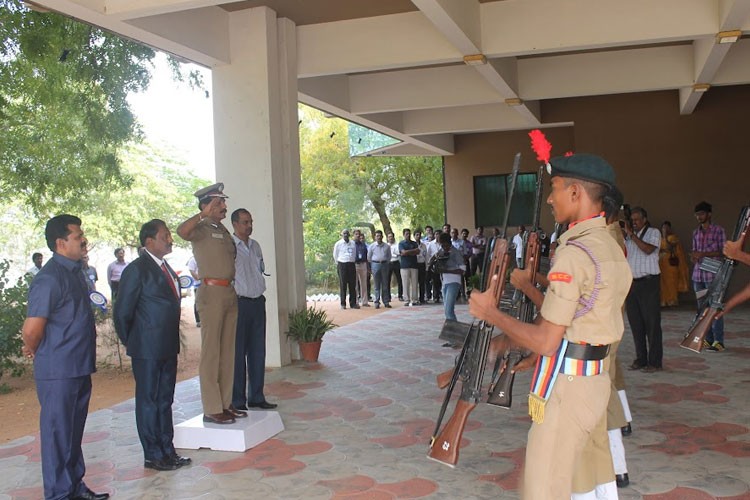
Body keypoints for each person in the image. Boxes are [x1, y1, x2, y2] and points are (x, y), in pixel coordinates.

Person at [469, 153, 632, 500]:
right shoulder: (609, 246)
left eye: (555, 188)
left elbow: (546, 341)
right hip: (594, 379)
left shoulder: (574, 254)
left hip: (569, 390)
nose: (549, 198)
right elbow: (581, 320)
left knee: (543, 488)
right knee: (584, 480)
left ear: (576, 193)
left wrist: (491, 314)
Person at [21, 214, 110, 500]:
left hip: (78, 366)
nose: (83, 240)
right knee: (57, 435)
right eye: (77, 236)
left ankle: (74, 487)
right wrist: (35, 348)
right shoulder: (48, 279)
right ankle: (59, 494)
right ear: (61, 243)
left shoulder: (77, 272)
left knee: (72, 434)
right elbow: (32, 329)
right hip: (58, 370)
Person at [113, 219, 192, 471]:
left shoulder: (165, 267)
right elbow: (122, 312)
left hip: (167, 346)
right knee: (148, 400)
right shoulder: (137, 269)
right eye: (165, 236)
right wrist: (133, 341)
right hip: (146, 349)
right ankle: (153, 454)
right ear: (149, 241)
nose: (170, 239)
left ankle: (168, 451)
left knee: (164, 400)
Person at [177, 182, 241, 425]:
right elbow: (182, 231)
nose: (224, 206)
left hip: (228, 292)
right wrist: (202, 214)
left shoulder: (221, 229)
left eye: (223, 201)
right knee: (212, 352)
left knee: (227, 351)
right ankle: (212, 407)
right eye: (219, 202)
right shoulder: (201, 228)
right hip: (211, 293)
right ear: (206, 205)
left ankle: (225, 403)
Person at [231, 208, 277, 411]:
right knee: (238, 353)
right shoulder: (229, 247)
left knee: (258, 351)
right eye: (244, 222)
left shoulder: (255, 245)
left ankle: (257, 396)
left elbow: (260, 270)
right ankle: (238, 400)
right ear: (234, 224)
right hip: (239, 303)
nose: (249, 226)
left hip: (258, 302)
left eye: (250, 222)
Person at [624, 206, 663, 373]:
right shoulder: (629, 237)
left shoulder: (654, 233)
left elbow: (648, 250)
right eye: (632, 221)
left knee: (652, 324)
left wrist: (631, 235)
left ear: (645, 219)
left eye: (637, 220)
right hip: (632, 284)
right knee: (636, 323)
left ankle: (655, 362)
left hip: (649, 283)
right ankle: (641, 359)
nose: (634, 223)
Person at [691, 201, 727, 351]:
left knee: (715, 307)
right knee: (703, 309)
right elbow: (694, 251)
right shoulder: (695, 232)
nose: (699, 217)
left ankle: (719, 341)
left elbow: (724, 251)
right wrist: (694, 256)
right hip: (698, 275)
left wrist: (704, 254)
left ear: (709, 214)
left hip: (713, 276)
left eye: (702, 214)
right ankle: (708, 338)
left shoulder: (719, 231)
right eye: (697, 214)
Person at [435, 232, 465, 321]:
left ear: (449, 243)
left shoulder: (456, 252)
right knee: (447, 310)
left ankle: (454, 330)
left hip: (454, 282)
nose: (443, 248)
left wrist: (446, 270)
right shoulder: (442, 251)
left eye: (445, 245)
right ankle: (452, 329)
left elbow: (462, 270)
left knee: (449, 310)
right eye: (441, 245)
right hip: (445, 282)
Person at [658, 221, 689, 307]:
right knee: (663, 283)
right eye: (663, 228)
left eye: (666, 227)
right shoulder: (659, 239)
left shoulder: (673, 238)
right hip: (661, 264)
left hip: (671, 264)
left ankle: (672, 300)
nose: (665, 229)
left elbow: (670, 248)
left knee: (671, 282)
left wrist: (665, 236)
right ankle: (664, 301)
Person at [332, 229, 358, 310]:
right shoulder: (338, 244)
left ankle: (353, 303)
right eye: (344, 233)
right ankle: (343, 304)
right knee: (343, 285)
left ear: (349, 234)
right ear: (342, 235)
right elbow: (335, 255)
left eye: (347, 233)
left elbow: (354, 253)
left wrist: (351, 261)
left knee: (352, 284)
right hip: (342, 264)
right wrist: (339, 263)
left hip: (351, 264)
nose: (346, 235)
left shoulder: (353, 243)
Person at [368, 230, 392, 309]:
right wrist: (373, 265)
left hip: (385, 265)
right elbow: (369, 257)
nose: (378, 237)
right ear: (375, 237)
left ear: (382, 236)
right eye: (377, 236)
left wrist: (385, 262)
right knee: (376, 285)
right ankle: (377, 302)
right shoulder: (372, 246)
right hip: (375, 265)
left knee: (385, 284)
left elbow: (389, 257)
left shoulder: (387, 246)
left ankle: (386, 301)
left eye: (380, 236)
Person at [398, 228, 420, 306]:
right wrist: (412, 252)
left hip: (414, 265)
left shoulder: (414, 243)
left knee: (414, 283)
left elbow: (417, 251)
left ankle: (414, 299)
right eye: (406, 234)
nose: (408, 235)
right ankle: (406, 300)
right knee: (405, 283)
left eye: (409, 234)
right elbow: (403, 252)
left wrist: (407, 252)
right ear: (403, 235)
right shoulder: (401, 243)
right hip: (404, 266)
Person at [354, 230, 370, 307]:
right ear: (353, 235)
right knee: (355, 284)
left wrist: (368, 266)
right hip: (355, 264)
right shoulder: (352, 244)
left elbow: (367, 256)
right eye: (356, 234)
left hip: (363, 264)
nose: (358, 235)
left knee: (364, 283)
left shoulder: (363, 245)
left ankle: (364, 301)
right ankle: (356, 301)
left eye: (359, 234)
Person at [387, 231, 403, 301]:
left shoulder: (397, 245)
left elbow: (398, 253)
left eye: (391, 236)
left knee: (399, 279)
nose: (390, 238)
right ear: (387, 238)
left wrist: (393, 253)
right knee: (387, 280)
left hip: (396, 262)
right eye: (389, 237)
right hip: (388, 263)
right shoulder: (386, 245)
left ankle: (400, 295)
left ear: (393, 237)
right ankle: (388, 296)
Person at [187, 256, 201, 327]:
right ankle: (198, 320)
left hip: (208, 285)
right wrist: (199, 278)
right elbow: (192, 271)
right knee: (198, 303)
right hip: (198, 285)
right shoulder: (193, 259)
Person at [414, 230, 427, 304]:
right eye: (416, 235)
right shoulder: (412, 245)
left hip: (422, 264)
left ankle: (422, 298)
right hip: (415, 265)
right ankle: (415, 298)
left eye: (419, 235)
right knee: (415, 282)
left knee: (422, 282)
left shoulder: (424, 245)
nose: (418, 236)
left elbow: (426, 255)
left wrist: (426, 266)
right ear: (414, 236)